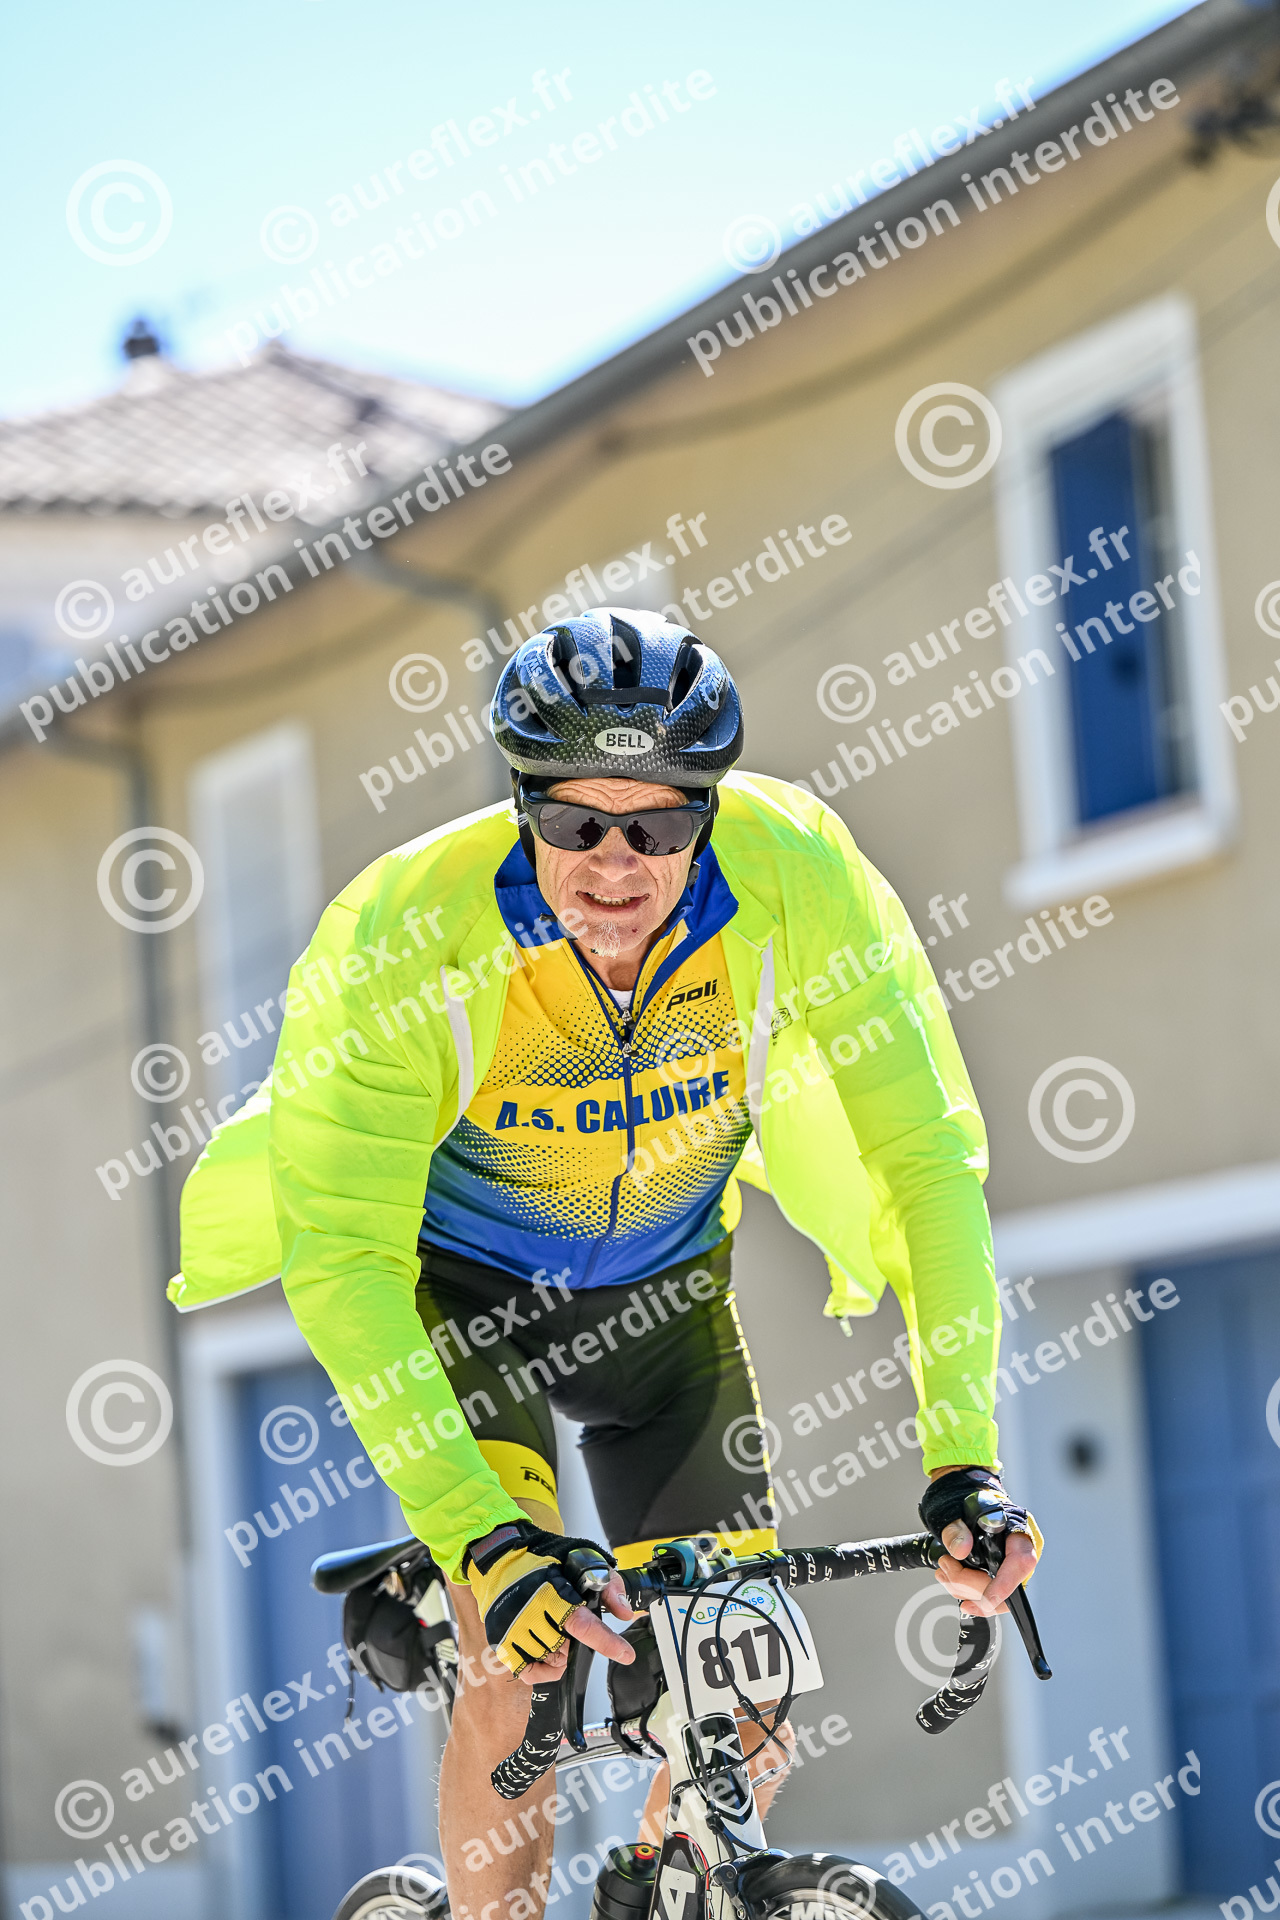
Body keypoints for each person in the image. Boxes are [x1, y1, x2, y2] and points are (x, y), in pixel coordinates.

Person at [174, 607, 1038, 1919]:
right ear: (524, 806)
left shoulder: (797, 877)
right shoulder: (413, 931)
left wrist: (965, 1462)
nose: (616, 865)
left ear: (711, 811)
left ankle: (668, 1882)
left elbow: (928, 1169)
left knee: (745, 1687)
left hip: (666, 1306)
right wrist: (483, 1542)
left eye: (660, 824)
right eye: (576, 823)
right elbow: (344, 1262)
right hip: (467, 1302)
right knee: (514, 1660)